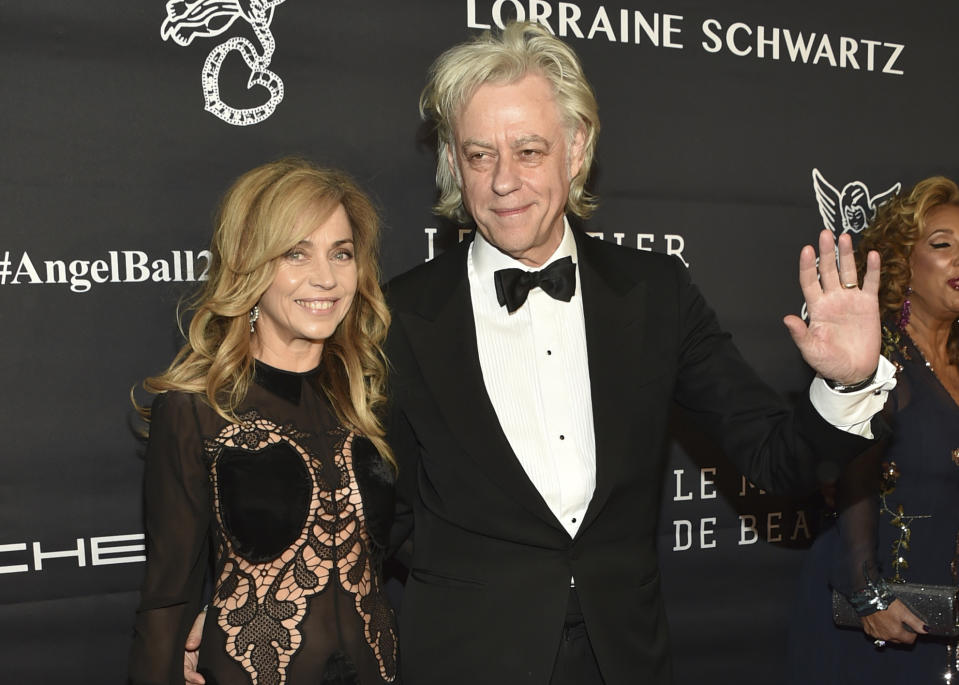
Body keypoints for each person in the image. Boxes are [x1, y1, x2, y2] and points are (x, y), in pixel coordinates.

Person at [184, 22, 893, 685]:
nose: (502, 181)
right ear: (453, 164)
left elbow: (777, 459)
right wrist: (231, 608)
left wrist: (847, 382)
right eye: (478, 154)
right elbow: (362, 511)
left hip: (626, 656)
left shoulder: (654, 292)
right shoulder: (393, 315)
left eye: (528, 150)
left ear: (576, 148)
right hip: (462, 657)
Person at [129, 158, 399, 685]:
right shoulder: (196, 409)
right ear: (251, 265)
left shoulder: (371, 398)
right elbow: (168, 597)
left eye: (340, 253)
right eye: (296, 253)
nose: (325, 277)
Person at [786, 176, 959, 684]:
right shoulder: (874, 358)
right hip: (877, 616)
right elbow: (850, 470)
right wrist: (866, 590)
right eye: (943, 244)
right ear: (903, 260)